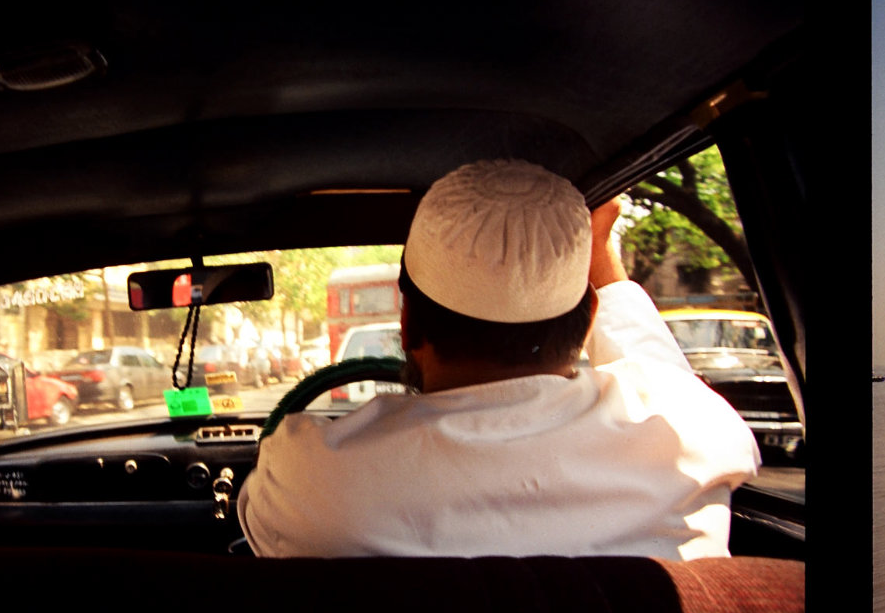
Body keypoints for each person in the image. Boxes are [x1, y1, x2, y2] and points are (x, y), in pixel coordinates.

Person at [238, 159, 760, 560]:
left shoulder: (313, 477)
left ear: (406, 323)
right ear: (590, 314)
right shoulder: (690, 433)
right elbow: (655, 366)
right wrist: (599, 256)